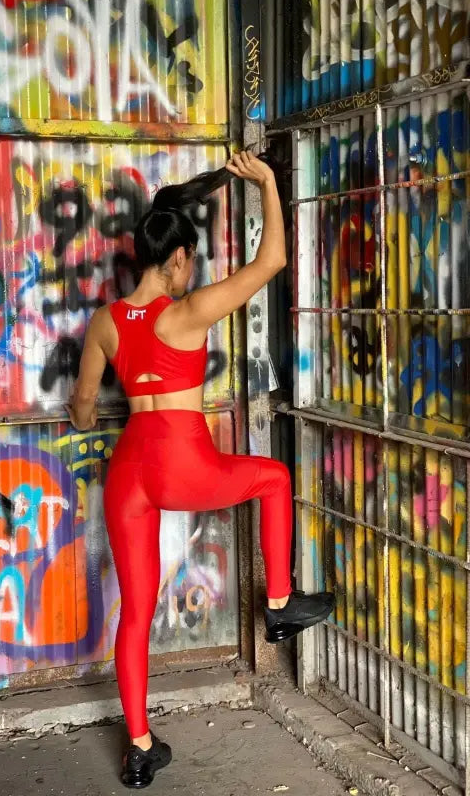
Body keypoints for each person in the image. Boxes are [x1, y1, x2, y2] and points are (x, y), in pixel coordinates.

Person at [68, 150, 335, 789]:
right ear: (179, 259)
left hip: (129, 467)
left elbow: (81, 413)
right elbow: (271, 261)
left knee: (136, 611)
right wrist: (268, 181)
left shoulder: (106, 321)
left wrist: (87, 415)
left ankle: (138, 750)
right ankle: (277, 605)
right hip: (180, 463)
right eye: (192, 262)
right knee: (273, 478)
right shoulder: (187, 313)